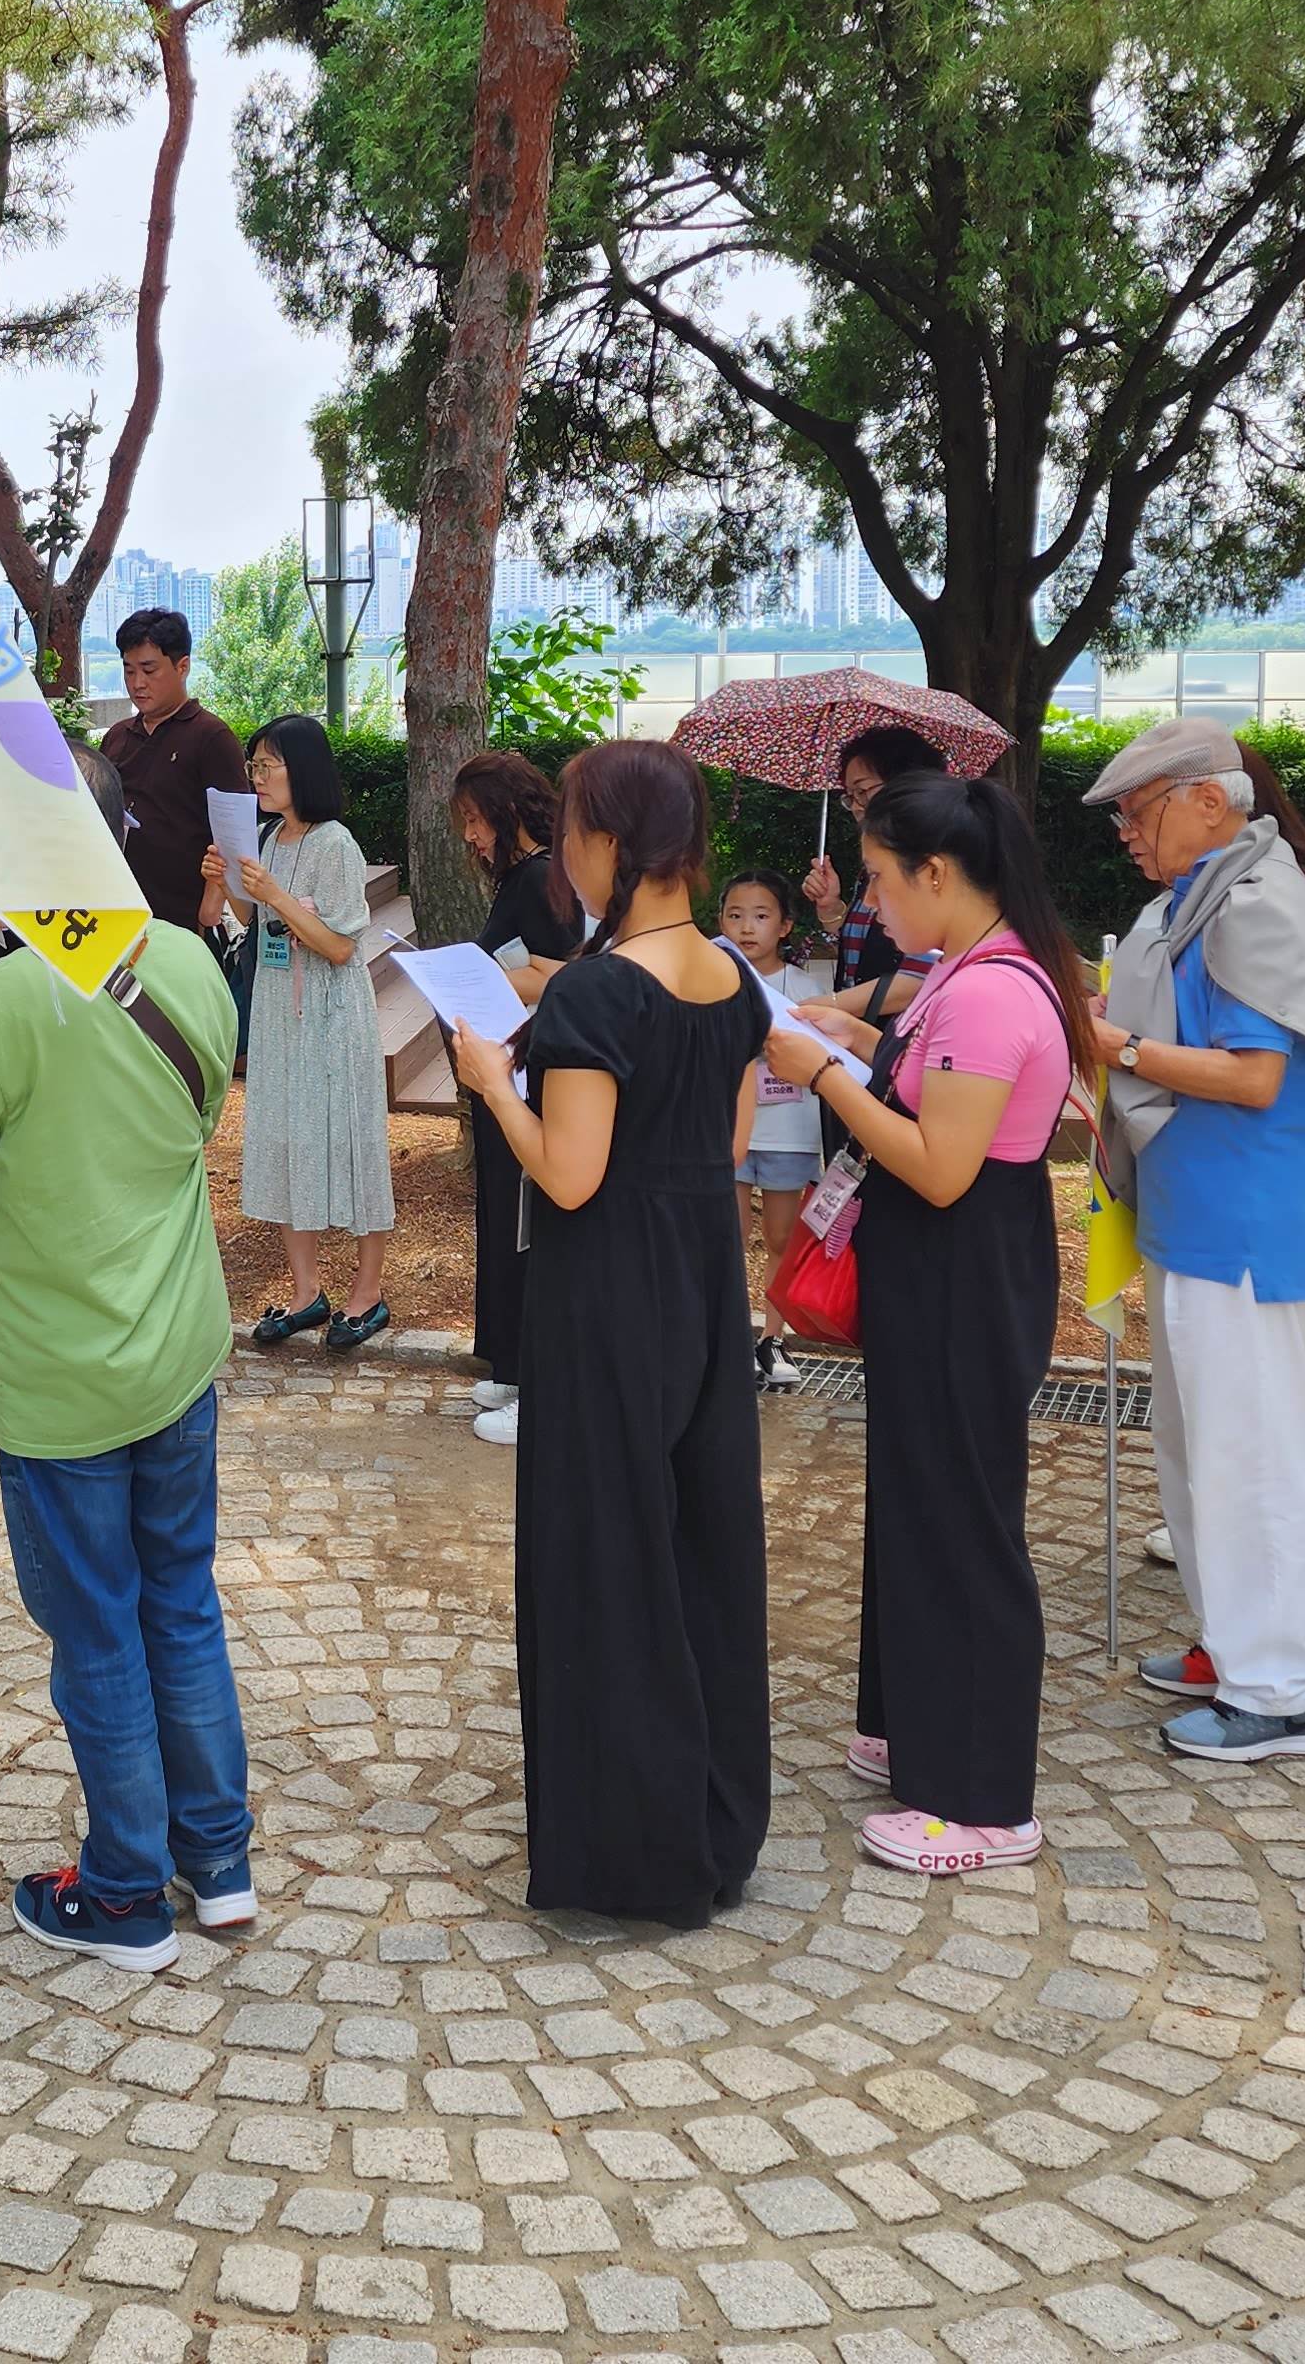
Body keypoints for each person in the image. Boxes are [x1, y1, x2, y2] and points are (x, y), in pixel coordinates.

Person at [0, 741, 251, 1970]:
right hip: (177, 1343)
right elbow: (198, 1119)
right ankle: (219, 1862)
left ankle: (121, 1895)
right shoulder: (191, 960)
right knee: (181, 1603)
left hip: (57, 1370)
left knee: (98, 1630)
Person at [448, 738, 770, 1925]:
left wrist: (493, 1082)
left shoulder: (595, 993)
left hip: (606, 1296)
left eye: (577, 829)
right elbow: (730, 1145)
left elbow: (570, 1175)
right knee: (697, 1545)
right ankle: (712, 1814)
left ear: (612, 843)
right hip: (702, 1282)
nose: (565, 856)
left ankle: (630, 1843)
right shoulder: (732, 977)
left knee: (606, 1551)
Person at [768, 773, 1091, 1876]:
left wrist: (823, 1071)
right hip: (938, 1273)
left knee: (961, 1521)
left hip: (965, 1271)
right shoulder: (967, 965)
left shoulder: (990, 991)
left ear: (937, 874)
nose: (871, 900)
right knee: (918, 1500)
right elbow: (921, 1092)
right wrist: (853, 1042)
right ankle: (914, 1723)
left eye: (878, 878)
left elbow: (941, 1165)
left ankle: (982, 1800)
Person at [1085, 717, 1305, 1763]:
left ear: (1209, 802)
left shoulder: (1255, 903)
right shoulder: (1209, 896)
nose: (1127, 833)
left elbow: (1255, 1078)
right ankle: (1231, 1643)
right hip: (1201, 1218)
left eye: (1137, 812)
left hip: (1245, 1223)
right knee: (1200, 1448)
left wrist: (1117, 1045)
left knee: (1252, 1459)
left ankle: (1282, 1690)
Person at [203, 713, 394, 1348]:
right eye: (253, 766)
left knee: (351, 1138)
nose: (256, 777)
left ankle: (368, 1292)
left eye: (267, 766)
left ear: (302, 769)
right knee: (286, 1137)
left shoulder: (336, 843)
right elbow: (256, 922)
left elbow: (339, 946)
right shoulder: (267, 838)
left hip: (332, 1015)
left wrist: (276, 897)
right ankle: (306, 1291)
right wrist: (228, 882)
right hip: (279, 1012)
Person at [447, 749, 581, 1444]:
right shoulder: (522, 877)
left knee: (526, 1222)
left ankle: (537, 1379)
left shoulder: (540, 878)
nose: (471, 836)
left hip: (530, 1076)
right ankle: (509, 1361)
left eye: (476, 820)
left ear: (506, 811)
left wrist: (487, 980)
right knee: (504, 1215)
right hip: (506, 1069)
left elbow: (564, 974)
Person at [715, 867, 822, 1398]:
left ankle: (772, 1338)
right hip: (731, 1129)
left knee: (781, 1237)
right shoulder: (711, 980)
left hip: (790, 1133)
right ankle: (730, 1336)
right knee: (726, 1236)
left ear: (785, 925)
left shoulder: (806, 988)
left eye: (760, 916)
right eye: (735, 915)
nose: (746, 927)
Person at [102, 608, 249, 934]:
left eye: (149, 670)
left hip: (183, 920)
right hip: (117, 913)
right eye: (128, 671)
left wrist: (209, 910)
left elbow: (233, 834)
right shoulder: (117, 736)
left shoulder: (212, 737)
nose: (137, 683)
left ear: (182, 667)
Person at [804, 724, 950, 1022]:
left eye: (863, 791)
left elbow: (921, 976)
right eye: (850, 796)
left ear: (905, 782)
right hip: (869, 1032)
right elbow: (869, 945)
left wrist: (824, 1005)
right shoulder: (879, 861)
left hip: (910, 1032)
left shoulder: (933, 860)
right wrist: (831, 908)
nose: (856, 807)